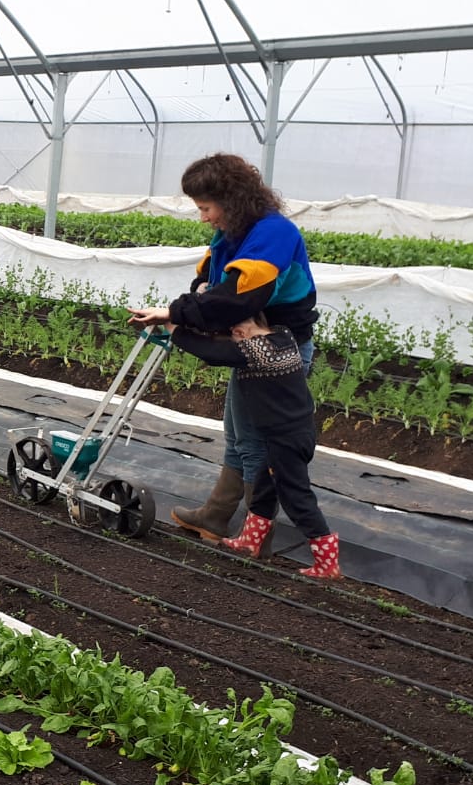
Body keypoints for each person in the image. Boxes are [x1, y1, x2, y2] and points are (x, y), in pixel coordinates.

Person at [129, 153, 318, 542]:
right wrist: (185, 308)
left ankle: (256, 534)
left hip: (276, 354)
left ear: (230, 201)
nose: (203, 217)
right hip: (251, 345)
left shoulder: (274, 234)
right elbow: (207, 283)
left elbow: (236, 298)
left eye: (205, 207)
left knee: (253, 442)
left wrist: (176, 316)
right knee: (237, 435)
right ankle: (216, 516)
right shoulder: (231, 236)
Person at [163, 313, 340, 578]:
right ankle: (250, 541)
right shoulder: (283, 336)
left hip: (286, 442)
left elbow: (212, 353)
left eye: (234, 332)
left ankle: (328, 563)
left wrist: (174, 329)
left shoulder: (257, 352)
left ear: (242, 334)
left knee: (297, 499)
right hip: (296, 434)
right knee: (265, 489)